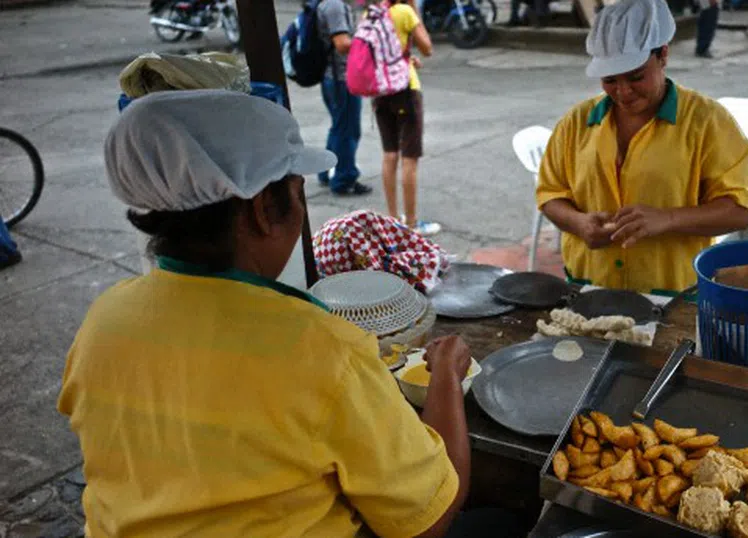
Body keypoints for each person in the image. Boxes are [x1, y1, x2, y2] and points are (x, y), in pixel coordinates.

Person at [58, 90, 471, 537]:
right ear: (260, 212)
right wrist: (445, 373)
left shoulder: (103, 320)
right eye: (297, 194)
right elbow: (429, 518)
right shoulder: (323, 349)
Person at [536, 0, 748, 296]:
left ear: (663, 54)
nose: (623, 91)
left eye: (636, 76)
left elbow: (739, 211)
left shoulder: (707, 122)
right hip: (589, 288)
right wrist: (578, 223)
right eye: (610, 80)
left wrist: (668, 219)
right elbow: (551, 194)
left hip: (670, 295)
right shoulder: (577, 122)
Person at [374, 0, 440, 235]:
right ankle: (411, 225)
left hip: (380, 91)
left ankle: (392, 220)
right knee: (409, 159)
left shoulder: (371, 15)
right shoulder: (404, 12)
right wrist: (414, 11)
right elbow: (427, 47)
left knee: (389, 154)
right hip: (405, 90)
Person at [318, 0, 372, 195]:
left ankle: (326, 171)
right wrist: (368, 41)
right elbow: (341, 44)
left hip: (334, 77)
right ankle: (344, 179)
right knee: (348, 130)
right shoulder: (335, 6)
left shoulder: (332, 4)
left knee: (339, 127)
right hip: (341, 79)